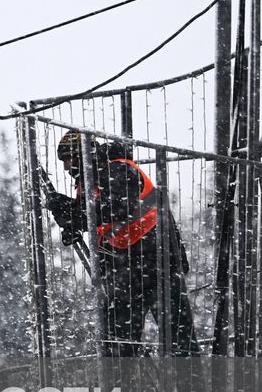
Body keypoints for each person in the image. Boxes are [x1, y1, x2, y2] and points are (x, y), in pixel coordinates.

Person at [44, 130, 200, 357]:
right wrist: (71, 216)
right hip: (127, 270)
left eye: (69, 159)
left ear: (84, 155)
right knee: (118, 346)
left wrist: (74, 215)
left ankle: (190, 391)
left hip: (158, 263)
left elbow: (115, 209)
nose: (67, 167)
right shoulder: (91, 182)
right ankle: (127, 389)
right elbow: (99, 222)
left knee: (179, 342)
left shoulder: (118, 168)